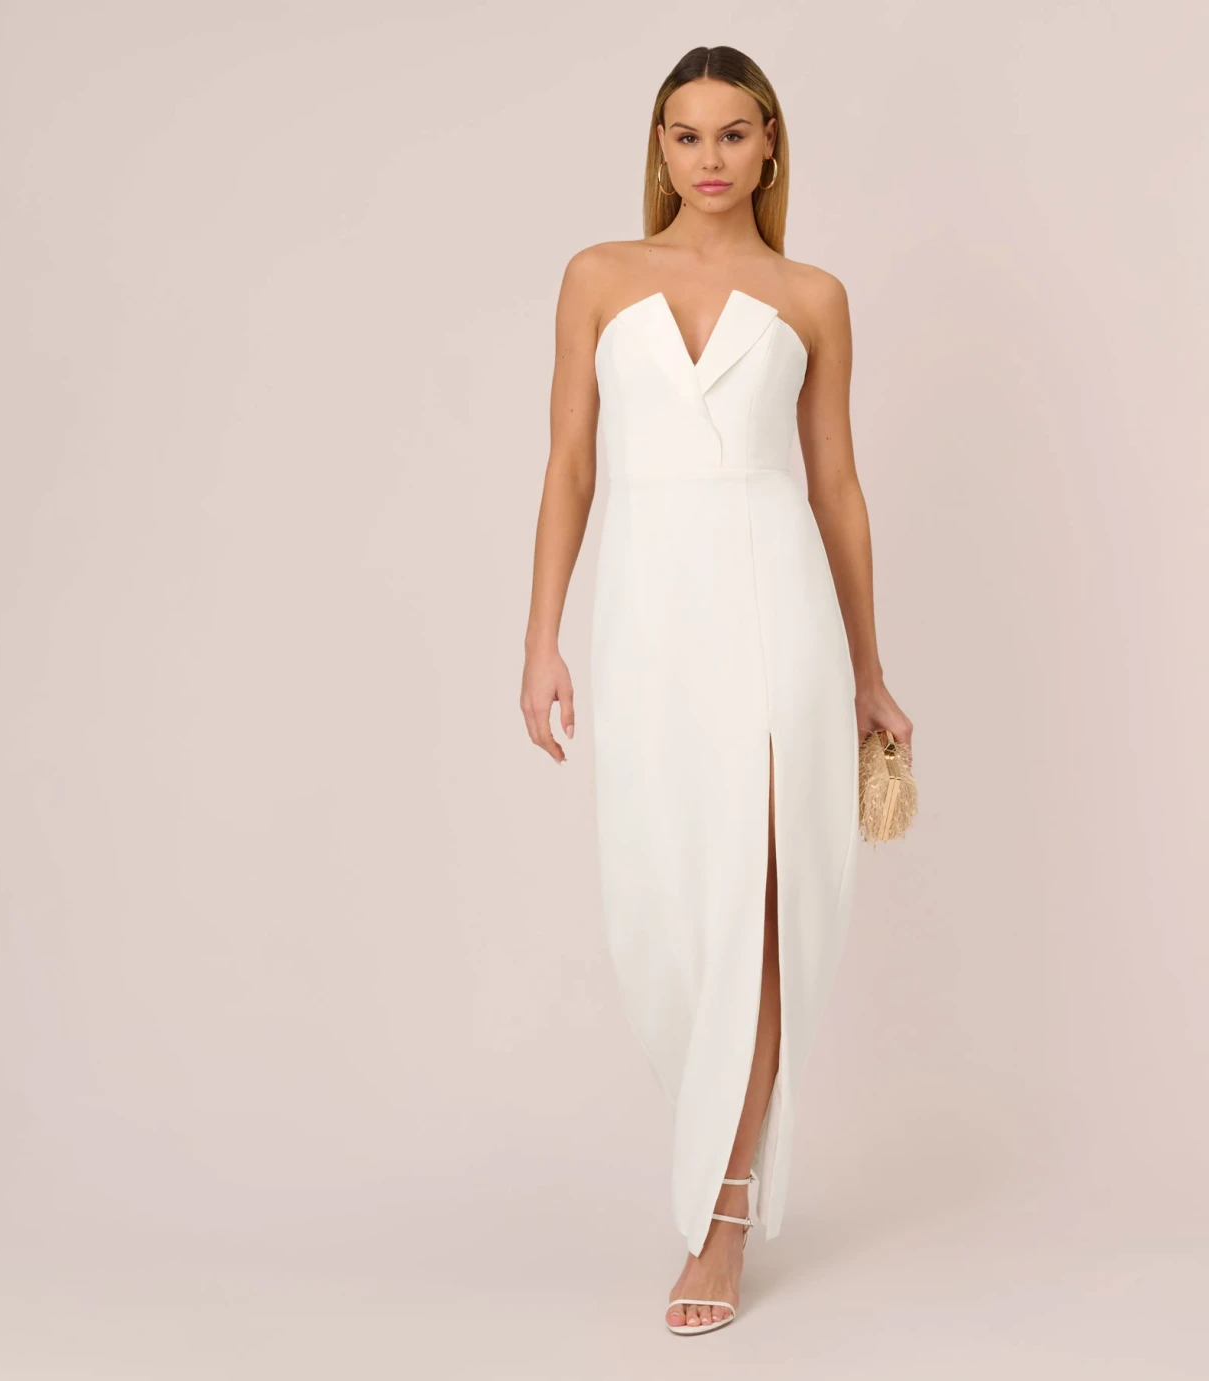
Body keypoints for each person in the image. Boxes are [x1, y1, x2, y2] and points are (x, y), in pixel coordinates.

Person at [519, 44, 912, 1336]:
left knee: (760, 901)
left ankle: (722, 1221)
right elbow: (571, 465)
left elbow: (836, 487)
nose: (709, 159)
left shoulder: (813, 296)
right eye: (686, 136)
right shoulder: (597, 276)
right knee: (663, 905)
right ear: (659, 146)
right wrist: (541, 639)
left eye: (733, 134)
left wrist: (868, 670)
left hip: (774, 609)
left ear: (769, 144)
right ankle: (711, 1152)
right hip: (645, 617)